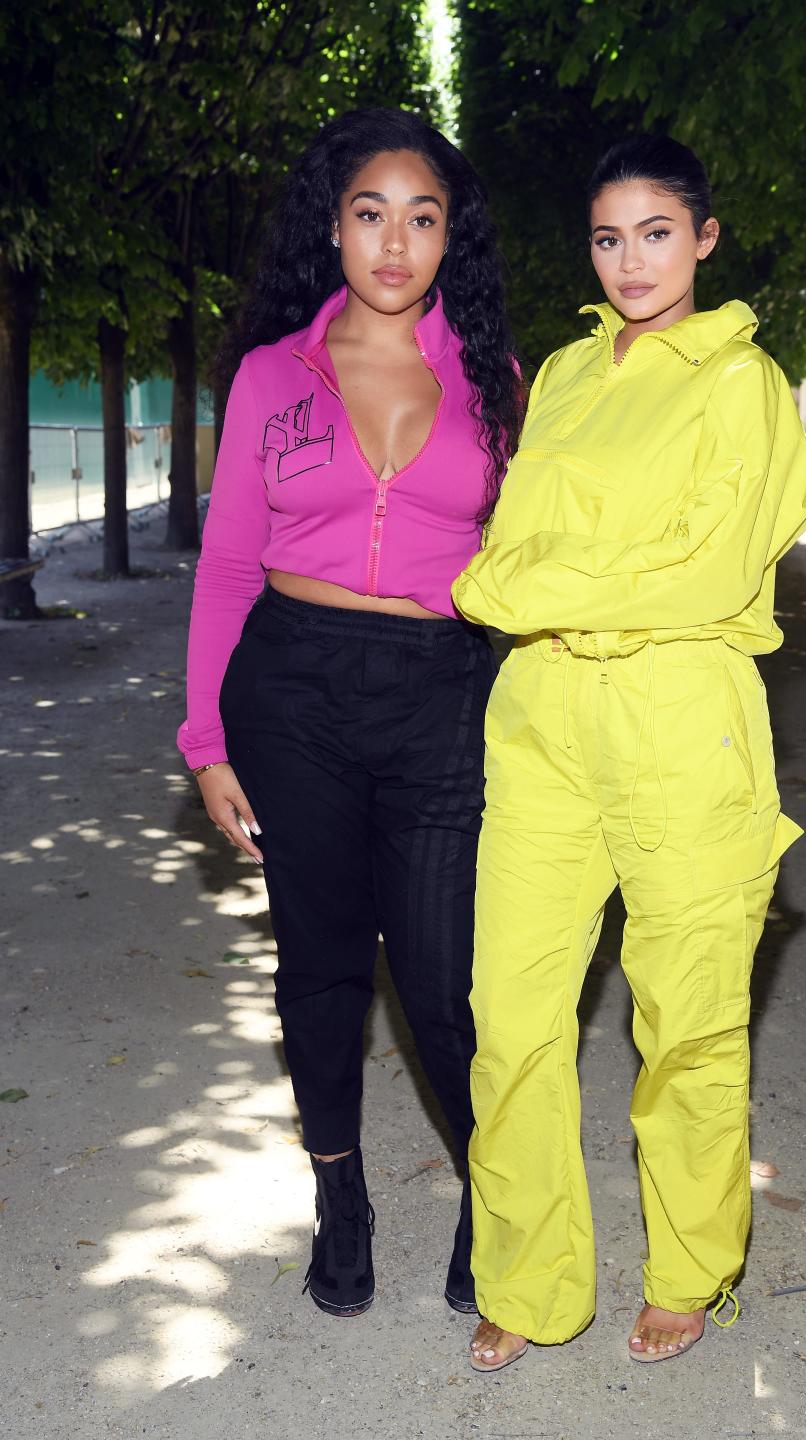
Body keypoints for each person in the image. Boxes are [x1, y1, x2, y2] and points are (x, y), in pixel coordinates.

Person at [452, 133, 806, 1371]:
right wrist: (564, 587)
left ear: (705, 238)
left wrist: (545, 588)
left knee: (690, 1026)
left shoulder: (744, 383)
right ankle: (532, 1277)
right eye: (608, 237)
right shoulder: (556, 372)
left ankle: (689, 1266)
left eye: (656, 233)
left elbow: (715, 571)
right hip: (543, 726)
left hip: (683, 725)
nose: (631, 260)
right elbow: (494, 559)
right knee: (510, 1017)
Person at [177, 108, 522, 1319]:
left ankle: (498, 1184)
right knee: (320, 970)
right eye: (370, 213)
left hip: (439, 692)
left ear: (447, 239)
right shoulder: (275, 373)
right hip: (295, 687)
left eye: (421, 218)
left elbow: (530, 558)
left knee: (441, 977)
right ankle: (341, 1195)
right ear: (333, 227)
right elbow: (225, 569)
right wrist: (204, 739)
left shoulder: (493, 377)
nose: (394, 242)